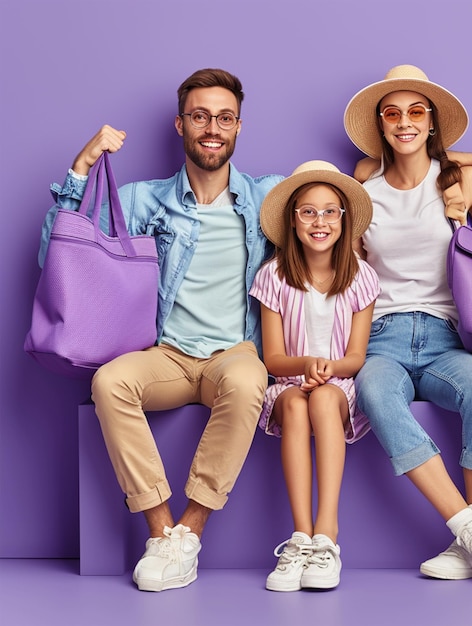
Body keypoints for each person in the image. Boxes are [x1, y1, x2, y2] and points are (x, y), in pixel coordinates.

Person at [38, 68, 284, 592]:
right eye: (200, 116)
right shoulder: (143, 200)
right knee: (109, 382)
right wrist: (81, 169)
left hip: (234, 352)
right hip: (166, 354)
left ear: (239, 126)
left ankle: (190, 532)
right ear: (180, 125)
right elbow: (55, 256)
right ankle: (161, 531)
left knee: (245, 383)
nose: (212, 127)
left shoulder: (267, 199)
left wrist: (459, 165)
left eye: (223, 117)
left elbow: (340, 206)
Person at [343, 64, 472, 583]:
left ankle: (466, 541)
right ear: (381, 124)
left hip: (447, 336)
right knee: (374, 392)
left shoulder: (463, 180)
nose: (404, 122)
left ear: (432, 122)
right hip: (381, 336)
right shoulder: (364, 182)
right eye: (392, 113)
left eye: (417, 112)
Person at [249, 161, 380, 592]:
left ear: (343, 219)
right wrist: (306, 365)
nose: (319, 222)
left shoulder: (361, 278)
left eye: (329, 212)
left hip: (338, 384)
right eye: (308, 212)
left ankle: (327, 535)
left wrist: (327, 369)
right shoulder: (273, 276)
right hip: (289, 383)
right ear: (292, 220)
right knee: (293, 403)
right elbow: (272, 358)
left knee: (323, 400)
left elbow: (357, 356)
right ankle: (300, 536)